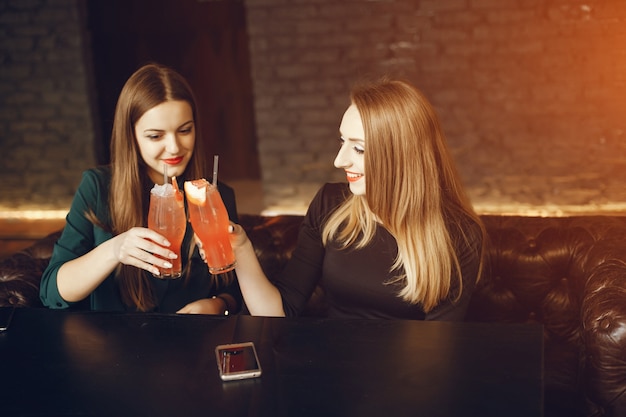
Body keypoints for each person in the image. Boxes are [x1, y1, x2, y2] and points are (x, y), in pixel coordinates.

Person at [229, 78, 485, 320]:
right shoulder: (329, 205)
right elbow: (279, 312)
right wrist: (240, 248)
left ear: (400, 155)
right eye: (343, 141)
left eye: (359, 148)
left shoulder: (460, 235)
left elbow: (438, 348)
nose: (340, 160)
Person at [40, 63, 241, 314]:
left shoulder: (214, 195)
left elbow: (234, 290)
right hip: (111, 345)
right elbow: (51, 293)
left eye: (185, 130)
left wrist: (217, 305)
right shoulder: (97, 187)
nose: (174, 147)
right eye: (156, 136)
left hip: (189, 343)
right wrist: (113, 250)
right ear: (131, 135)